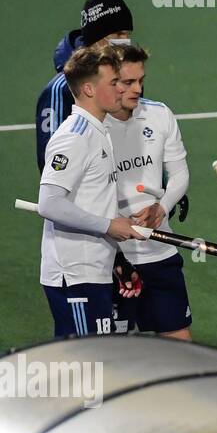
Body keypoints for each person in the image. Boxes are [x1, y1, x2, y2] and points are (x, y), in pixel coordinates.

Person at [37, 48, 146, 335]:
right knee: (86, 371)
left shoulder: (99, 131)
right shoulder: (75, 137)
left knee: (93, 368)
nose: (121, 88)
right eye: (113, 82)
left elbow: (90, 202)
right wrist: (110, 225)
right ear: (88, 88)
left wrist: (118, 249)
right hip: (74, 275)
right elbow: (49, 203)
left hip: (93, 270)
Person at [106, 44, 193, 340]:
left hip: (160, 251)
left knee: (181, 347)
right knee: (118, 360)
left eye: (141, 80)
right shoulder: (91, 128)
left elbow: (180, 173)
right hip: (112, 259)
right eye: (128, 82)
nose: (138, 89)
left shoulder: (159, 115)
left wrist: (162, 207)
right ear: (108, 81)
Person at [37, 0, 133, 171]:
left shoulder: (127, 81)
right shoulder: (60, 90)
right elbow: (50, 162)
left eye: (126, 34)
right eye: (118, 35)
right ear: (97, 39)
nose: (125, 42)